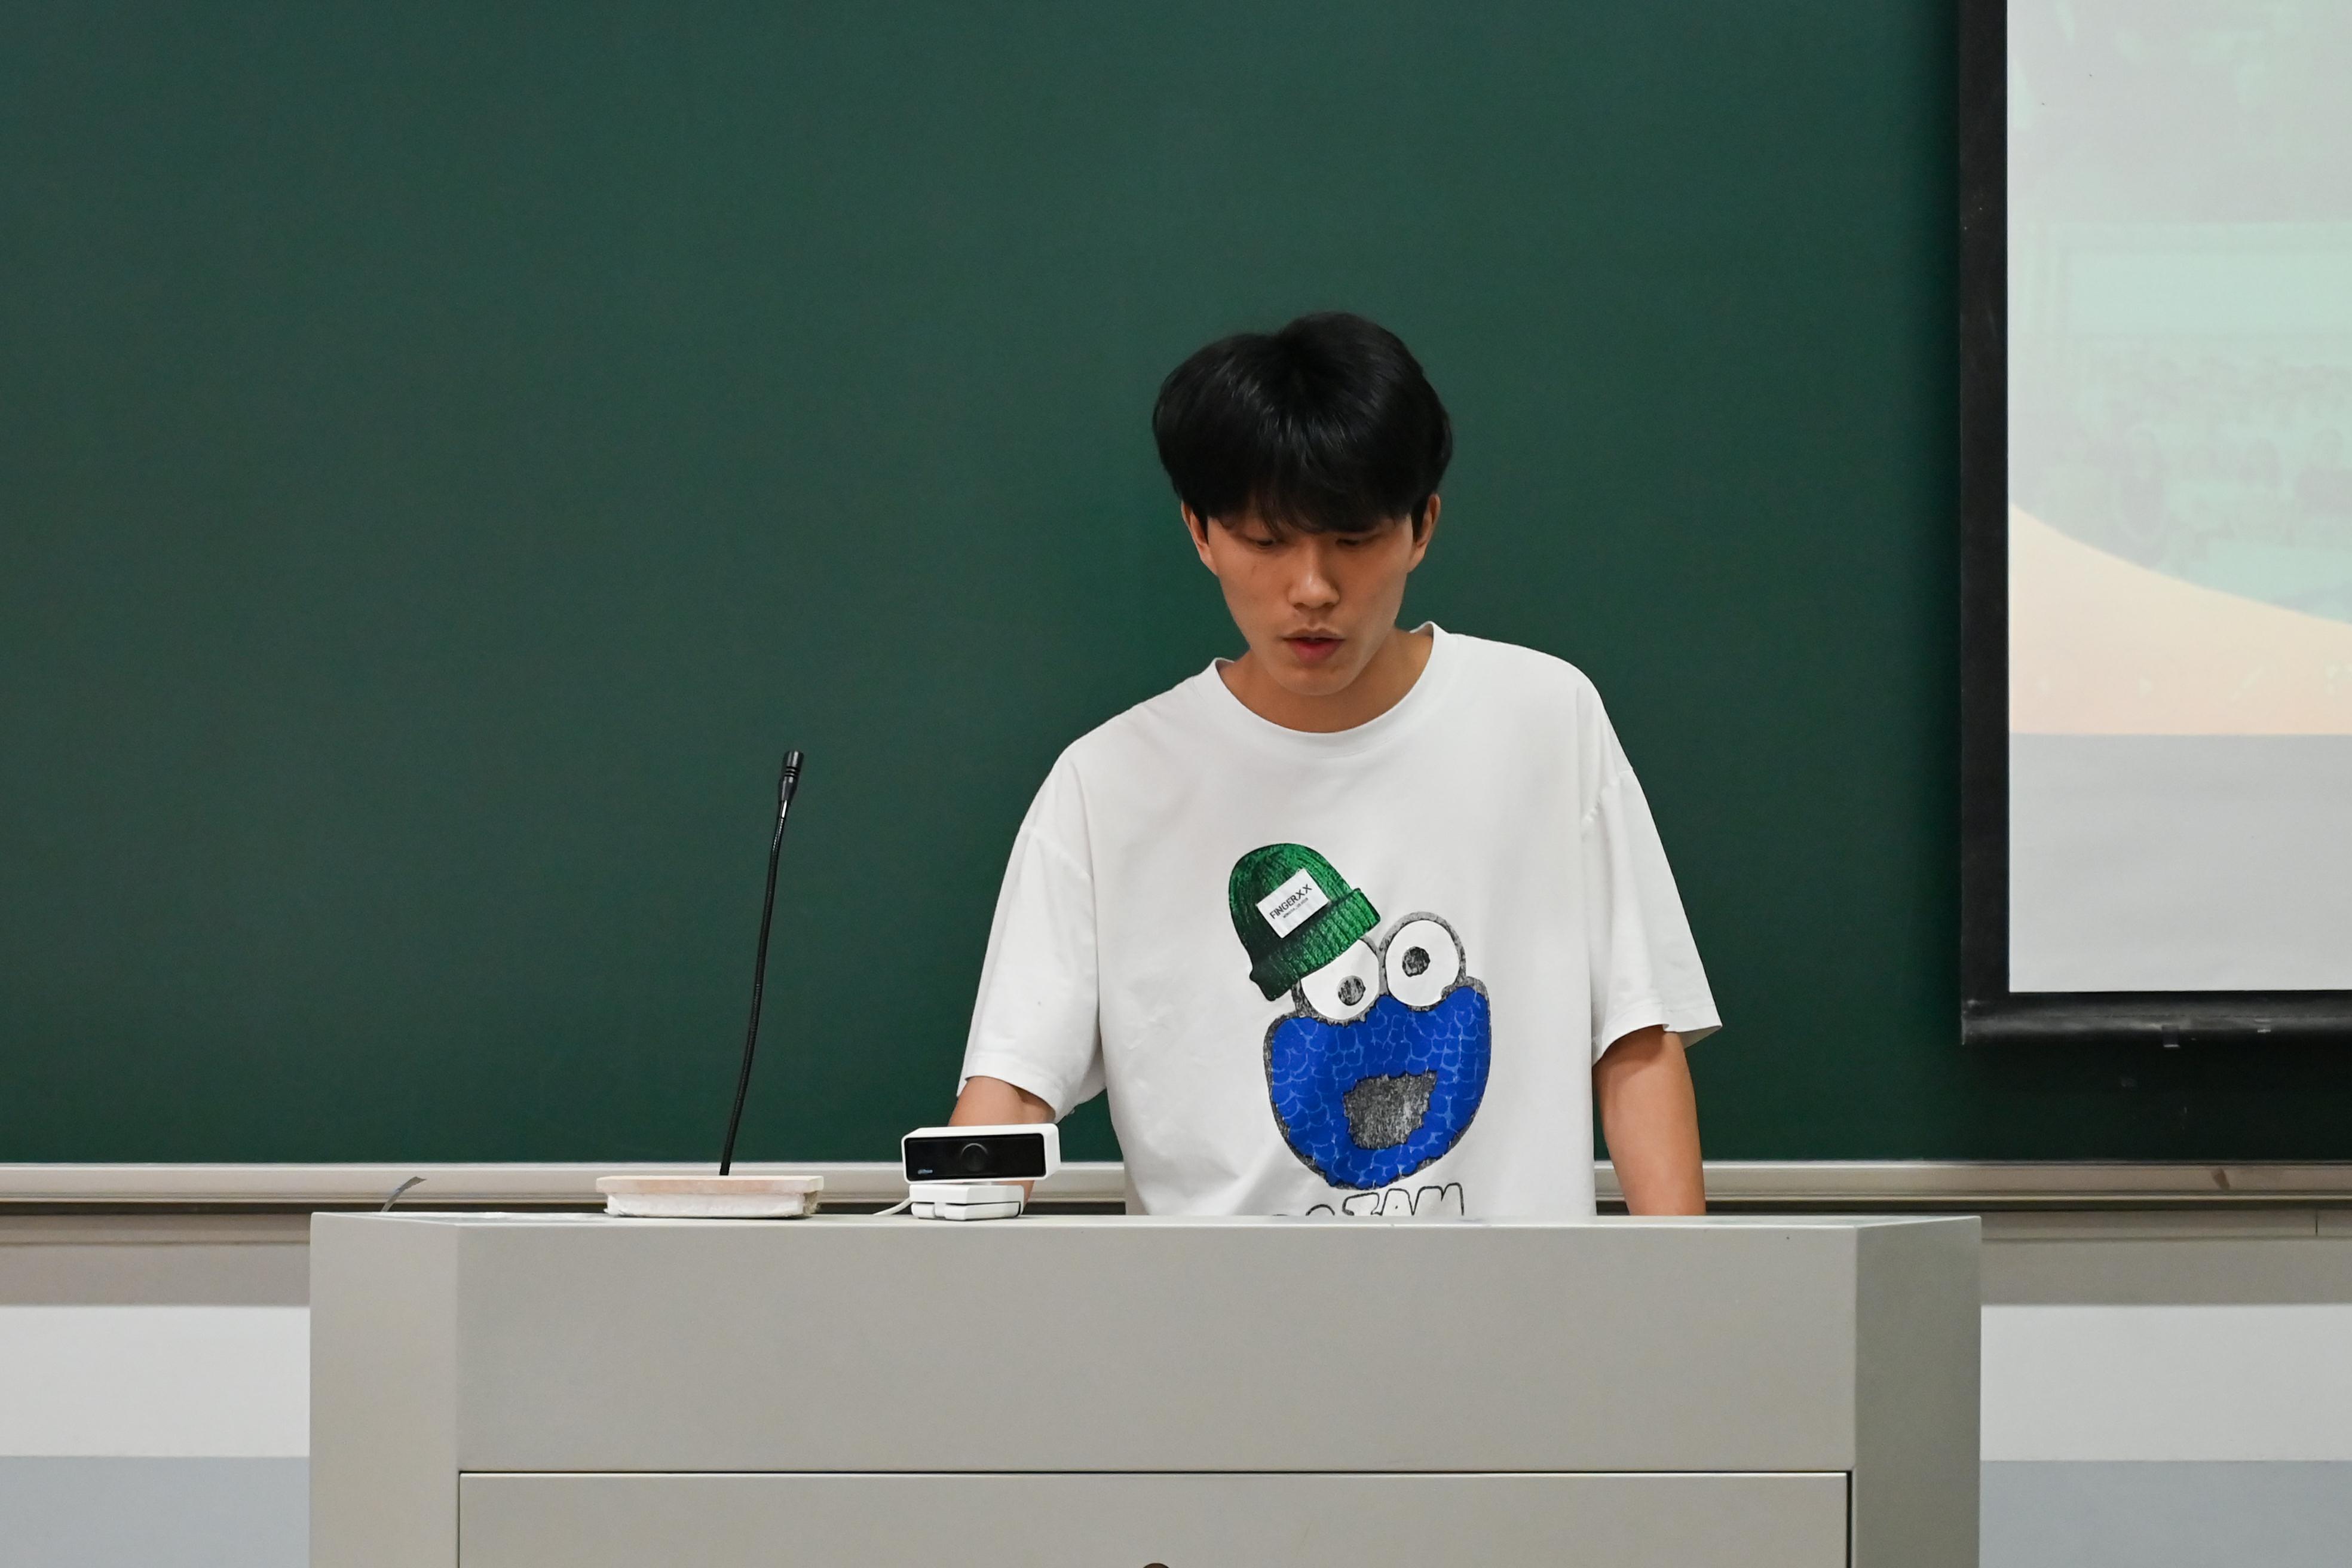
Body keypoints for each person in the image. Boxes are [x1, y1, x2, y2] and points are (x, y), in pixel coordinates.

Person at [951, 312, 1716, 1218]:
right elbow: (1013, 1091)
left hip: (1512, 1304)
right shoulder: (1107, 785)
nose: (1312, 589)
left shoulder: (1544, 718)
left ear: (1422, 526)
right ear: (1201, 532)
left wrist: (1688, 1297)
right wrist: (943, 1225)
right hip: (1218, 1308)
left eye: (1353, 540)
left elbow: (1634, 1038)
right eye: (1266, 542)